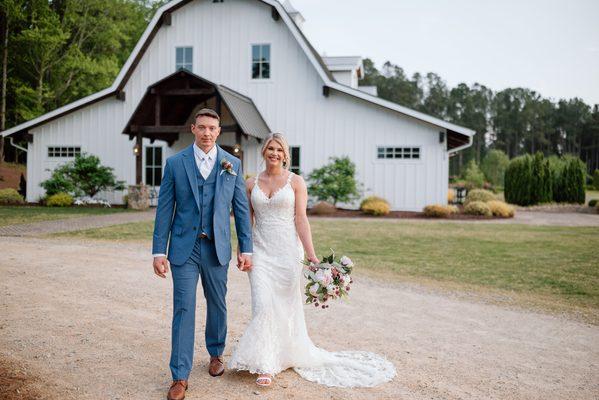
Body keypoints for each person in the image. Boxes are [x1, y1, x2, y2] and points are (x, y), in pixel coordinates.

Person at [228, 133, 396, 388]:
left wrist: (313, 255)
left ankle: (283, 354)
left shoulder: (296, 182)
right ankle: (266, 364)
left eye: (279, 150)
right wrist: (243, 251)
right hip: (260, 252)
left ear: (285, 155)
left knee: (285, 307)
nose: (274, 153)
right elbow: (245, 222)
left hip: (287, 253)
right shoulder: (251, 183)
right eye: (270, 148)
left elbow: (301, 220)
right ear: (264, 152)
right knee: (262, 305)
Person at [151, 108, 253, 400]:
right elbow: (164, 210)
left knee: (217, 303)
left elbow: (241, 211)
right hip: (184, 247)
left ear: (218, 132)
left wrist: (246, 247)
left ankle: (216, 353)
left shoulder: (231, 163)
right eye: (202, 127)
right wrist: (159, 250)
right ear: (193, 128)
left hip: (217, 247)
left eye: (213, 128)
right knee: (183, 307)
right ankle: (179, 376)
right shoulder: (175, 164)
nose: (207, 133)